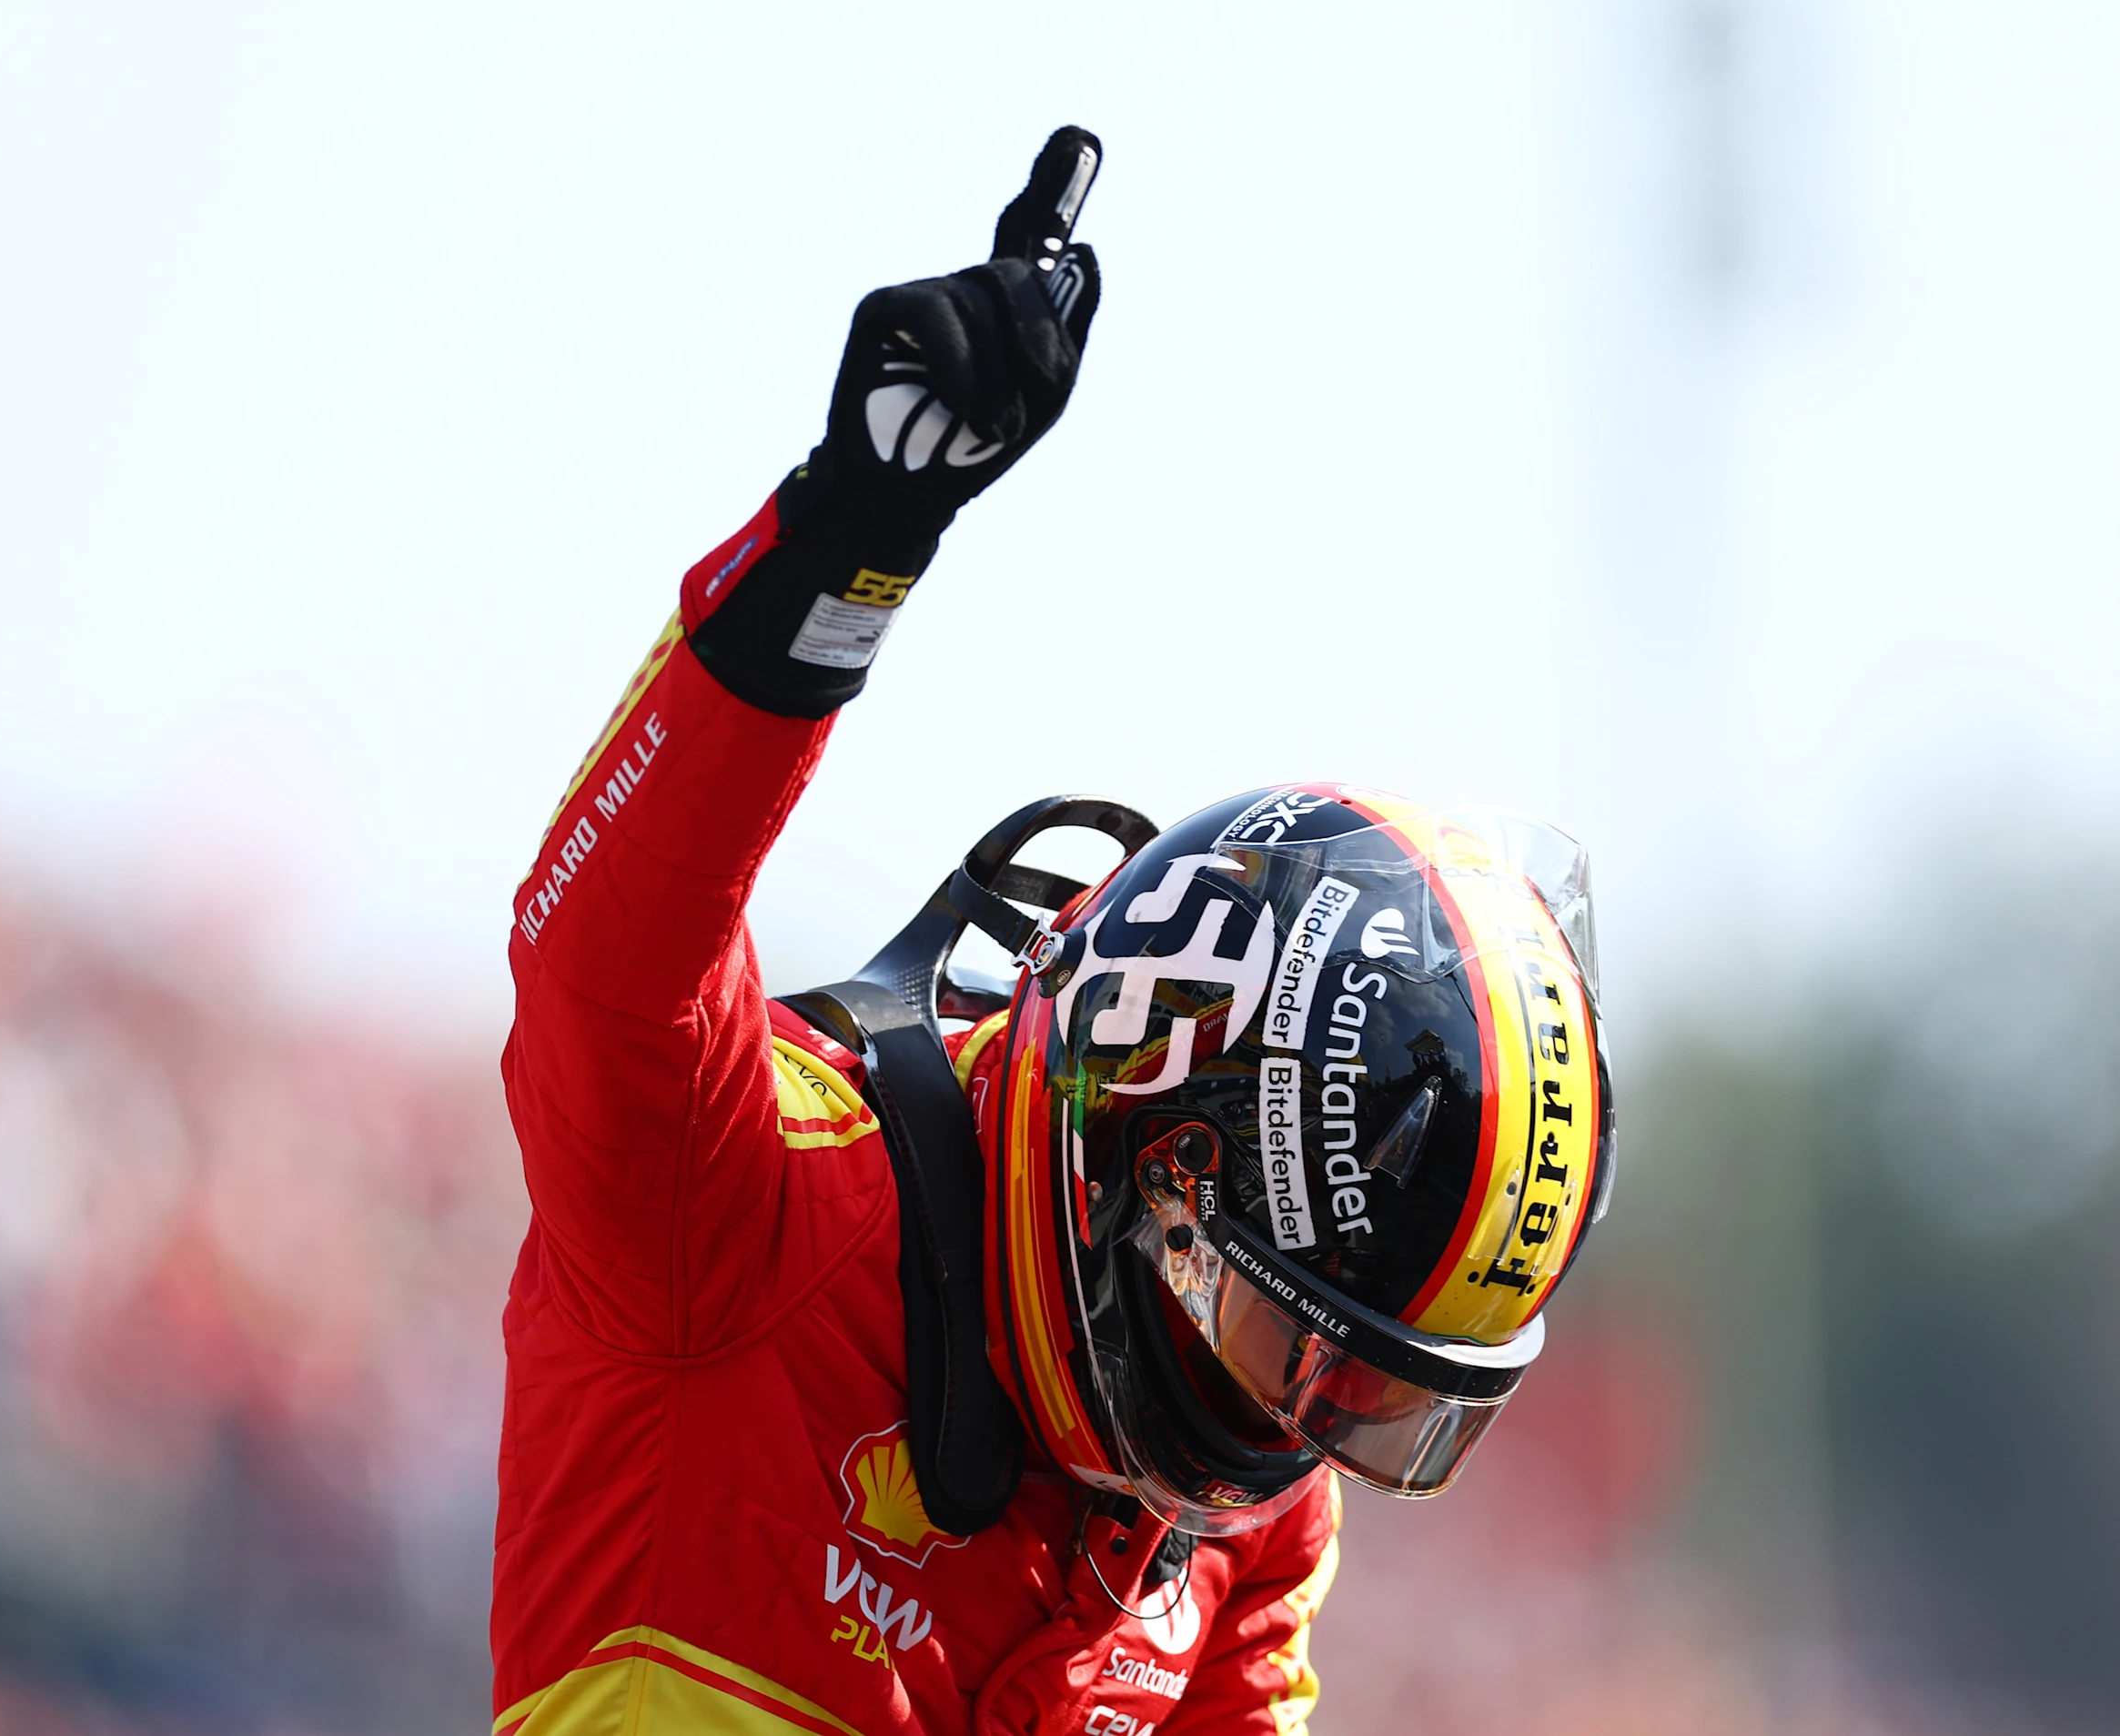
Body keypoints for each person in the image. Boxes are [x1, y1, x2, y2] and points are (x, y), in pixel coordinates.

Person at [492, 130, 1614, 1736]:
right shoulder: (750, 1214)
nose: (1300, 1430)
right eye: (1299, 1350)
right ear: (1155, 1158)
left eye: (1370, 1404)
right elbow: (602, 969)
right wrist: (848, 543)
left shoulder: (1256, 1525)